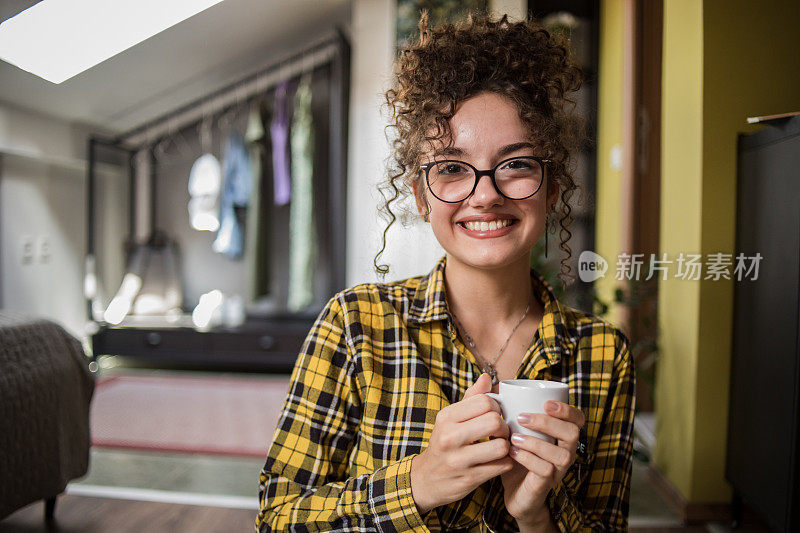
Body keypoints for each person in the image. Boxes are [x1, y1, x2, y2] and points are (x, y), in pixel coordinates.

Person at [256, 11, 635, 532]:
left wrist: (537, 514)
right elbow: (276, 521)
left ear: (551, 187)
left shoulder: (603, 356)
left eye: (517, 164)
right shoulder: (355, 325)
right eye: (452, 169)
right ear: (420, 194)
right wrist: (419, 483)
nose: (486, 194)